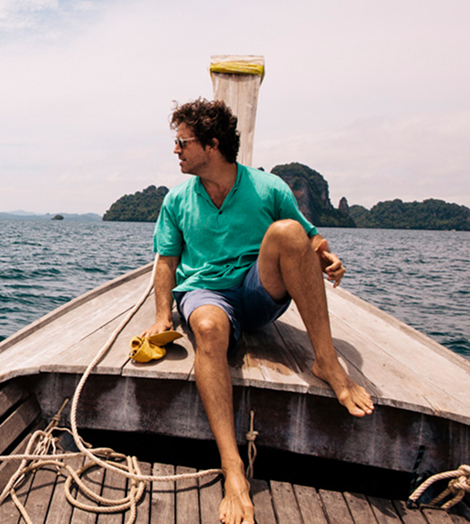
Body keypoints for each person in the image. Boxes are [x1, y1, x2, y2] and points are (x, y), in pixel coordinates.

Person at [140, 98, 375, 524]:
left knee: (285, 230)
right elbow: (166, 262)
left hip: (256, 290)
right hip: (205, 292)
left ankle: (328, 362)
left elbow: (308, 238)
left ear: (211, 145)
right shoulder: (177, 200)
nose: (175, 150)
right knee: (209, 329)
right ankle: (233, 469)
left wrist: (328, 257)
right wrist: (162, 318)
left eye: (182, 142)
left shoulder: (268, 188)